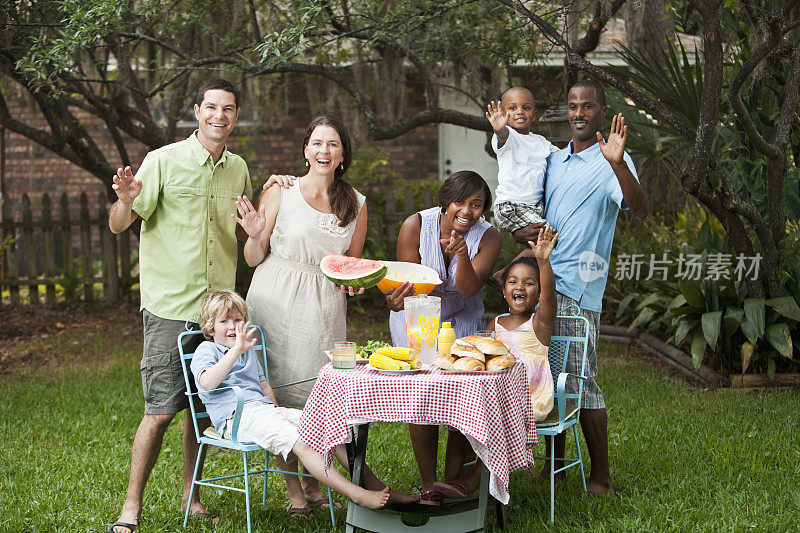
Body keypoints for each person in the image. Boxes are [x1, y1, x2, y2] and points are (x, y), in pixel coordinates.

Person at [106, 79, 253, 533]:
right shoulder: (163, 160)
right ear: (196, 111)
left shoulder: (239, 169)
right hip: (170, 307)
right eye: (211, 107)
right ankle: (131, 507)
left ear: (235, 116)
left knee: (203, 411)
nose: (219, 116)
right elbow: (119, 224)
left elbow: (248, 230)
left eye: (228, 109)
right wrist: (124, 200)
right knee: (162, 410)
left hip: (218, 312)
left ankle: (192, 496)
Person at [232, 114, 367, 509]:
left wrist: (356, 283)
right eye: (317, 143)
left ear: (343, 155)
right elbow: (254, 257)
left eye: (333, 145)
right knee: (275, 392)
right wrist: (255, 235)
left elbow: (352, 264)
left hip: (324, 308)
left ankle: (314, 484)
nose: (324, 151)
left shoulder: (356, 203)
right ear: (305, 150)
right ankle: (295, 491)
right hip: (274, 299)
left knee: (315, 394)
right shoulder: (280, 192)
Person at [190, 290, 416, 516]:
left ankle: (378, 487)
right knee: (301, 440)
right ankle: (357, 494)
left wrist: (276, 410)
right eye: (224, 321)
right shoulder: (207, 350)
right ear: (210, 328)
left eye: (237, 320)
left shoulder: (245, 351)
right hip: (236, 419)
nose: (232, 326)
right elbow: (208, 383)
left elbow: (263, 385)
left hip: (263, 412)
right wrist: (236, 350)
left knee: (326, 425)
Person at [539, 79, 650, 496]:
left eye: (588, 106)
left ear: (602, 112)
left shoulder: (612, 162)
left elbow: (640, 208)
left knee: (581, 382)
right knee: (549, 379)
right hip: (544, 283)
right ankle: (557, 469)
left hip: (579, 288)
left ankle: (601, 477)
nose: (579, 113)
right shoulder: (554, 160)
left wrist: (618, 164)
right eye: (572, 105)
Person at [384, 170, 502, 504]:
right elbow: (405, 285)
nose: (467, 211)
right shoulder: (415, 226)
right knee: (422, 400)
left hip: (463, 317)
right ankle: (428, 484)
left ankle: (452, 482)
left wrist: (462, 253)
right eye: (460, 202)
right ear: (445, 201)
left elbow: (466, 289)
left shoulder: (489, 238)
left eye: (476, 204)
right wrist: (393, 299)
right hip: (419, 317)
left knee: (460, 399)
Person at [488, 227, 558, 423]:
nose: (519, 287)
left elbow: (549, 295)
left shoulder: (539, 322)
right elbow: (482, 350)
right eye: (512, 281)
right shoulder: (496, 323)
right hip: (498, 396)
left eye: (528, 283)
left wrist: (543, 261)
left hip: (531, 399)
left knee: (488, 416)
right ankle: (470, 454)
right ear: (503, 291)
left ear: (538, 293)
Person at [485, 87, 560, 245]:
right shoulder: (509, 137)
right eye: (513, 108)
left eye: (526, 108)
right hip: (511, 206)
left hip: (535, 207)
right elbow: (502, 137)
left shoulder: (540, 142)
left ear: (534, 114)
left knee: (543, 243)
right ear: (505, 114)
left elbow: (562, 156)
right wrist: (499, 129)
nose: (520, 112)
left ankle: (522, 266)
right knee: (549, 236)